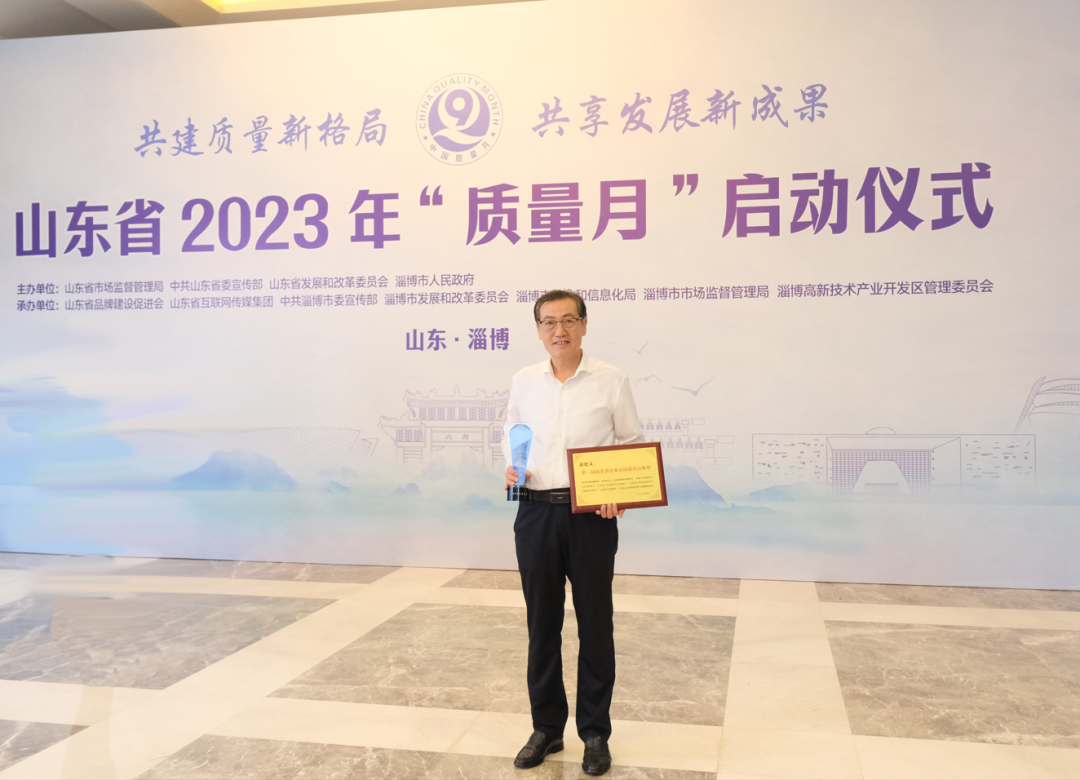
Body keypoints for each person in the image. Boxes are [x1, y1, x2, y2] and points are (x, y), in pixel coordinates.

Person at [501, 289, 644, 776]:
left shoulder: (610, 380)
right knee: (541, 625)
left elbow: (631, 442)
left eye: (568, 320)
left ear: (584, 324)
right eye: (548, 322)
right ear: (538, 329)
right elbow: (514, 433)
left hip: (591, 518)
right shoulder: (524, 381)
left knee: (595, 625)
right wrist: (512, 467)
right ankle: (546, 728)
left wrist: (619, 491)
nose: (558, 330)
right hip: (535, 513)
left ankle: (595, 733)